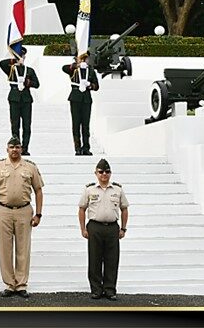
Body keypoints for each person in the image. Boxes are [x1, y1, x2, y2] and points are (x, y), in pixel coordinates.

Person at [0, 136, 45, 298]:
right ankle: (9, 284)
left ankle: (21, 284)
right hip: (3, 210)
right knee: (4, 249)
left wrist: (39, 213)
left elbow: (38, 190)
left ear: (22, 149)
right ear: (7, 149)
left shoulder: (30, 167)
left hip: (24, 211)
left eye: (17, 147)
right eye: (11, 147)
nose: (14, 150)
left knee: (23, 248)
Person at [78, 158, 128, 301]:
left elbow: (124, 209)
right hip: (95, 227)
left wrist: (123, 228)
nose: (104, 174)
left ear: (110, 173)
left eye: (107, 171)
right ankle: (96, 289)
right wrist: (83, 229)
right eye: (101, 172)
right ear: (96, 173)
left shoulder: (117, 190)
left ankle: (110, 289)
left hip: (112, 227)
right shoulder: (90, 189)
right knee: (94, 259)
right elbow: (82, 209)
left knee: (112, 260)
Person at [0, 47, 40, 156]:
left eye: (22, 56)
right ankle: (16, 146)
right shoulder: (11, 69)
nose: (21, 58)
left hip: (26, 99)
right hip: (14, 98)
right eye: (18, 56)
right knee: (15, 124)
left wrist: (28, 82)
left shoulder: (29, 70)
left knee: (27, 125)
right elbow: (2, 63)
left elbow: (37, 84)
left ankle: (25, 148)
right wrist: (14, 61)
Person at [62, 53, 100, 155]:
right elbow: (64, 68)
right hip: (75, 97)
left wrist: (90, 85)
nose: (84, 61)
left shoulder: (91, 70)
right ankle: (77, 147)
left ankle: (86, 147)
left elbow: (96, 86)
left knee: (85, 125)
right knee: (76, 124)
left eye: (85, 59)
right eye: (81, 59)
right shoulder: (74, 70)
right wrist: (76, 65)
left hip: (86, 98)